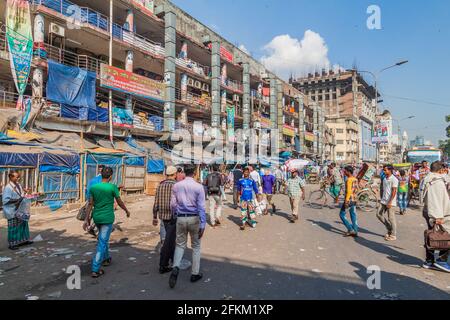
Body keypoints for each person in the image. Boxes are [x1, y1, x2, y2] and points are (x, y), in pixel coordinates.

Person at [83, 167, 131, 278]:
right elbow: (119, 202)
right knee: (102, 242)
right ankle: (95, 269)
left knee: (102, 239)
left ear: (101, 174)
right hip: (107, 219)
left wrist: (86, 219)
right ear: (110, 176)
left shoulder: (94, 188)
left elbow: (90, 204)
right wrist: (126, 211)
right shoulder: (112, 187)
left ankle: (106, 258)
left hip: (97, 218)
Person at [169, 164, 206, 289]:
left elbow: (173, 204)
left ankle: (175, 267)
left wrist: (175, 215)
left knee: (180, 245)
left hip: (181, 217)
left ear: (184, 172)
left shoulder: (176, 186)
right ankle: (195, 273)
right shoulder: (199, 187)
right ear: (195, 173)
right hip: (194, 218)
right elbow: (201, 207)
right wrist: (203, 224)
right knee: (196, 246)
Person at [420, 161, 450, 272]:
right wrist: (437, 217)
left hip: (432, 211)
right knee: (441, 236)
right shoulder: (436, 182)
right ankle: (441, 260)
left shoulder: (428, 178)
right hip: (437, 213)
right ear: (440, 170)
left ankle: (430, 260)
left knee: (433, 235)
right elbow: (435, 199)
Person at [152, 166, 177, 274]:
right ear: (174, 174)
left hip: (162, 217)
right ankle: (163, 265)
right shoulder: (176, 186)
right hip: (172, 217)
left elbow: (156, 202)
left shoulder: (160, 185)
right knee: (168, 241)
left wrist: (154, 216)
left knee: (169, 240)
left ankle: (173, 259)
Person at [2, 171, 34, 250]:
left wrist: (26, 193)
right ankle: (12, 244)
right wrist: (17, 200)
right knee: (13, 227)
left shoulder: (18, 185)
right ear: (11, 177)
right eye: (16, 177)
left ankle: (23, 240)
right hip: (11, 210)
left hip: (20, 209)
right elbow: (5, 200)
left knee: (23, 224)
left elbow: (21, 195)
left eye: (18, 177)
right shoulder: (8, 188)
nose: (18, 178)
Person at [376, 165, 399, 242]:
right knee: (378, 214)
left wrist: (390, 202)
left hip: (390, 202)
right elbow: (383, 189)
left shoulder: (394, 179)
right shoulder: (385, 179)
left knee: (391, 218)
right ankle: (389, 228)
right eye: (383, 170)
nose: (384, 171)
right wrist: (381, 198)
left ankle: (393, 234)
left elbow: (394, 191)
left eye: (385, 170)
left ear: (390, 170)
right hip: (383, 200)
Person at [339, 166, 359, 237]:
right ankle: (355, 231)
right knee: (353, 215)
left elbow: (349, 191)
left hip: (349, 199)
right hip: (354, 199)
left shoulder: (349, 180)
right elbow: (357, 189)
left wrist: (346, 201)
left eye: (345, 171)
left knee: (341, 215)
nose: (344, 172)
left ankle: (350, 229)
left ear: (348, 172)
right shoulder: (355, 179)